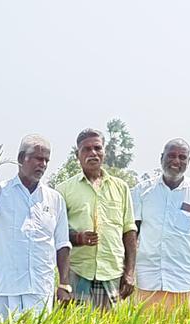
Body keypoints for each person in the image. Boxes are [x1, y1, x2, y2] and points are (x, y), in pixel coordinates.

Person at [0, 134, 71, 322]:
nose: (43, 164)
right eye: (38, 158)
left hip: (41, 288)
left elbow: (62, 244)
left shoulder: (55, 199)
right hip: (8, 289)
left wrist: (63, 284)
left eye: (46, 160)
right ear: (21, 159)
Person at [131, 139, 190, 310]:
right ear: (162, 158)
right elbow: (132, 233)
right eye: (171, 156)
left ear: (188, 161)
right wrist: (128, 271)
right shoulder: (142, 191)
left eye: (182, 157)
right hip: (148, 277)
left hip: (184, 279)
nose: (176, 161)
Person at [55, 128, 137, 310]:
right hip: (77, 274)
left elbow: (129, 232)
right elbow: (57, 235)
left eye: (97, 148)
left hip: (113, 273)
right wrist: (78, 238)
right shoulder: (63, 190)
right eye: (86, 149)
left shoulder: (121, 188)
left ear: (104, 152)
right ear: (77, 155)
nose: (93, 153)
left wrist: (130, 273)